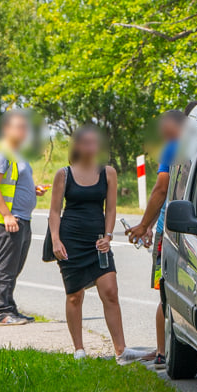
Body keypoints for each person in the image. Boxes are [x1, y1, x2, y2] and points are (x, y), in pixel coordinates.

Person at [48, 126, 145, 364]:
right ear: (78, 146)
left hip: (98, 241)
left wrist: (109, 236)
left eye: (95, 143)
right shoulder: (64, 174)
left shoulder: (107, 172)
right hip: (70, 239)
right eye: (87, 143)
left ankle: (121, 351)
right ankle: (79, 350)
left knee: (110, 291)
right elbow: (54, 211)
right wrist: (55, 239)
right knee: (74, 296)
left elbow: (110, 209)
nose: (92, 148)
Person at [126, 103, 197, 367]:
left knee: (165, 290)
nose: (167, 140)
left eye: (169, 133)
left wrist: (144, 225)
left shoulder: (173, 149)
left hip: (171, 232)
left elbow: (161, 190)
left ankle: (162, 351)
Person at [0, 110, 48, 326]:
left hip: (22, 218)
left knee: (14, 266)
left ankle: (10, 308)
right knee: (4, 266)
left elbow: (14, 182)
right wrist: (7, 215)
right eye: (18, 126)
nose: (23, 130)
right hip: (8, 220)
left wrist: (32, 188)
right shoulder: (2, 153)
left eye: (25, 127)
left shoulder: (17, 153)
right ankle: (2, 312)